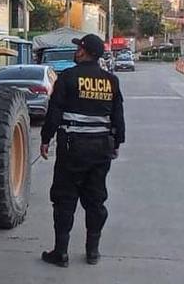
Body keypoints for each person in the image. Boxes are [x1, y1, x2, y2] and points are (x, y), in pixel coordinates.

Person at [39, 34, 125, 267]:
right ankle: (92, 252)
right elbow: (117, 115)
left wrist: (45, 139)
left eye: (79, 48)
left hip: (73, 149)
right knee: (96, 200)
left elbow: (54, 112)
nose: (76, 51)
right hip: (101, 149)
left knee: (65, 200)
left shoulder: (68, 78)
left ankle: (61, 253)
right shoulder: (111, 81)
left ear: (85, 52)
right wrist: (117, 143)